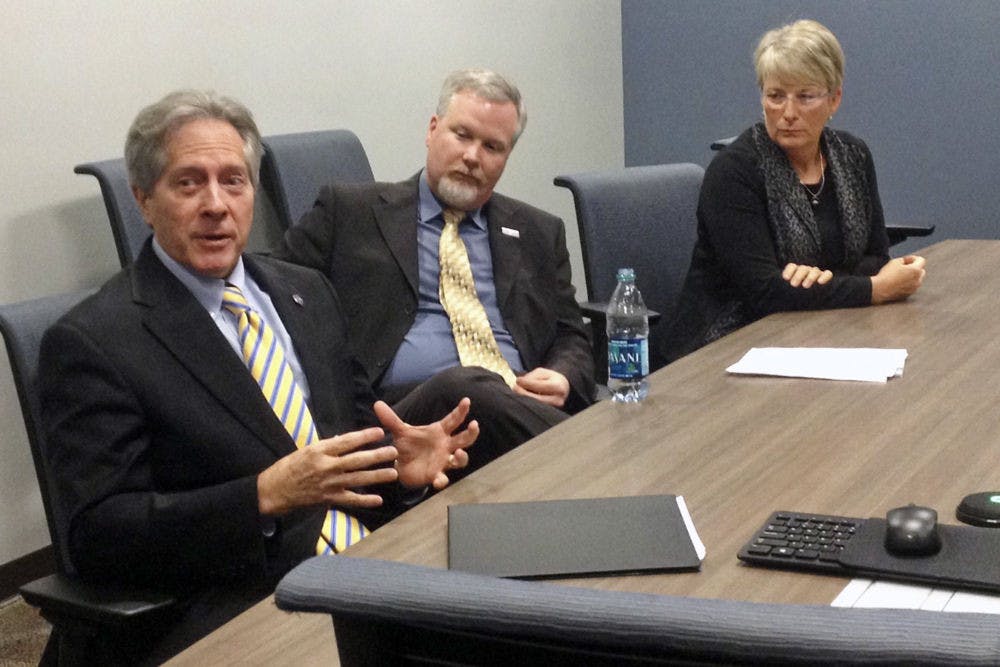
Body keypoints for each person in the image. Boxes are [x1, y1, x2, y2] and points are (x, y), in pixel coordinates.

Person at [39, 90, 477, 663]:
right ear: (144, 200)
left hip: (362, 557)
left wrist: (402, 469)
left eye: (234, 181)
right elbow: (98, 535)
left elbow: (346, 441)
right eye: (189, 183)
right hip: (232, 599)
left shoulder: (307, 293)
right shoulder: (93, 342)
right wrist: (261, 497)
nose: (216, 204)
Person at [275, 69, 594, 472]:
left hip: (512, 411)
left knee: (483, 393)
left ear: (506, 158)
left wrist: (564, 375)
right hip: (397, 415)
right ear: (432, 129)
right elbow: (271, 290)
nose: (473, 156)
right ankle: (598, 454)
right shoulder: (350, 211)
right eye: (462, 135)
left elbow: (572, 335)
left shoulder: (538, 231)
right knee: (465, 385)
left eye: (492, 146)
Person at [663, 19, 926, 362]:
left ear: (834, 100)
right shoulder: (734, 172)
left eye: (805, 96)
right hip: (726, 343)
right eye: (775, 96)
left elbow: (876, 256)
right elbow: (765, 292)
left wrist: (821, 281)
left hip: (821, 332)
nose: (788, 113)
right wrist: (874, 289)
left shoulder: (853, 156)